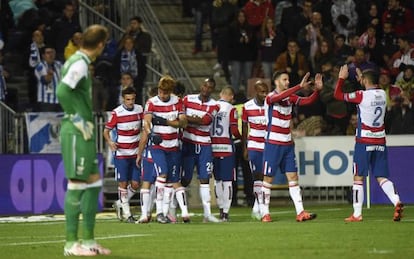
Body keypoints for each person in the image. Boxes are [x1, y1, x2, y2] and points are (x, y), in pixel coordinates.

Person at [56, 24, 111, 256]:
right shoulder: (79, 63)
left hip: (84, 131)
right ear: (100, 44)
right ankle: (71, 244)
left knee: (94, 183)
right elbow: (62, 91)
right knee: (77, 184)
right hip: (77, 130)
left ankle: (88, 240)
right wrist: (77, 118)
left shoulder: (80, 61)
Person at [334, 64, 404, 222]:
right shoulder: (382, 94)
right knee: (381, 176)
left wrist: (341, 78)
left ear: (364, 80)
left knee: (358, 176)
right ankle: (396, 201)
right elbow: (369, 90)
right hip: (380, 140)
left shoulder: (361, 95)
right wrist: (363, 79)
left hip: (364, 140)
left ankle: (357, 214)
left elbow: (338, 95)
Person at [259, 71, 322, 222]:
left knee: (293, 177)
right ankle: (265, 213)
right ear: (276, 82)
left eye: (288, 79)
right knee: (268, 178)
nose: (287, 81)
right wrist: (298, 87)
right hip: (273, 143)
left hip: (287, 143)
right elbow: (279, 97)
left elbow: (307, 101)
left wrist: (317, 91)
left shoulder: (290, 97)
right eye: (284, 79)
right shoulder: (270, 97)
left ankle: (300, 212)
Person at [137, 75, 190, 224]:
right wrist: (151, 133)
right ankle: (159, 212)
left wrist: (166, 122)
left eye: (165, 92)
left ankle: (165, 213)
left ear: (171, 91)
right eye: (160, 91)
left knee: (172, 180)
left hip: (172, 145)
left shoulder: (178, 102)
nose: (162, 94)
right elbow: (146, 121)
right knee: (163, 173)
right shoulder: (151, 102)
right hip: (157, 145)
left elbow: (183, 123)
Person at [181, 78, 221, 223]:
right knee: (184, 180)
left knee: (205, 179)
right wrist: (193, 119)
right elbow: (180, 118)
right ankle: (173, 211)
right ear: (201, 85)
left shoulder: (215, 105)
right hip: (188, 143)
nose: (206, 88)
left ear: (212, 89)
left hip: (204, 145)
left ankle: (207, 214)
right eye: (205, 85)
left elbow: (205, 121)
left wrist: (188, 118)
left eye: (210, 87)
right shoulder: (187, 99)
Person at [103, 86, 143, 223]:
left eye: (132, 99)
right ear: (123, 99)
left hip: (136, 152)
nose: (130, 102)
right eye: (127, 99)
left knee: (136, 184)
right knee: (123, 183)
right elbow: (106, 131)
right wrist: (110, 143)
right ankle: (127, 214)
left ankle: (119, 203)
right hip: (121, 154)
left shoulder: (140, 110)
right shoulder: (117, 113)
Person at [211, 86, 241, 221]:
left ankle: (220, 208)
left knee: (217, 180)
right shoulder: (231, 109)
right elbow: (234, 130)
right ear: (231, 97)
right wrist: (242, 138)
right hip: (227, 147)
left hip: (212, 147)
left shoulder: (212, 106)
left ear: (221, 94)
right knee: (228, 180)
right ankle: (225, 213)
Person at [241, 80, 269, 220]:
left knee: (266, 177)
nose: (265, 94)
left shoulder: (271, 104)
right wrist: (244, 147)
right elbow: (245, 127)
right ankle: (261, 207)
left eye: (266, 91)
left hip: (269, 145)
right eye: (262, 92)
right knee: (257, 176)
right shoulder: (247, 106)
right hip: (254, 145)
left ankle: (257, 206)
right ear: (255, 92)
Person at [34, 45, 62, 112]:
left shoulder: (59, 64)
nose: (51, 55)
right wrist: (49, 74)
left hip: (59, 100)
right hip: (46, 101)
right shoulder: (40, 66)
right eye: (48, 53)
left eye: (52, 52)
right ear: (43, 56)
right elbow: (45, 80)